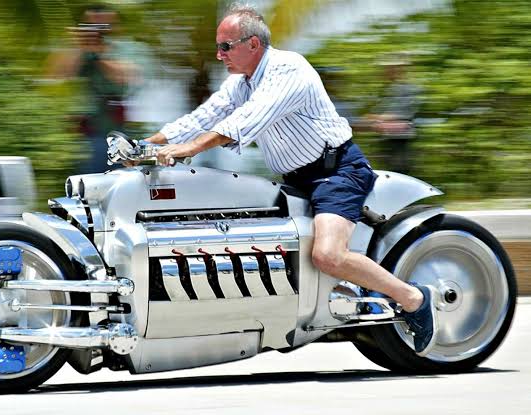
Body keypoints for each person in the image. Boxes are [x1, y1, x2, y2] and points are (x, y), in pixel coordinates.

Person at [138, 4, 439, 356]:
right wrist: (145, 145)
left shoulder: (288, 69)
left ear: (253, 44)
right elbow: (203, 116)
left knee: (328, 255)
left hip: (336, 174)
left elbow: (245, 121)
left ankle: (414, 299)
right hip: (293, 179)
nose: (219, 55)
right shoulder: (241, 83)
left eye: (225, 47)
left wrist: (189, 148)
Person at [48, 4, 140, 174]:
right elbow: (57, 74)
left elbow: (124, 77)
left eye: (103, 24)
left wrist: (98, 53)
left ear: (115, 25)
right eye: (91, 24)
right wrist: (78, 47)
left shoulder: (128, 48)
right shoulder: (78, 48)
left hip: (116, 129)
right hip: (84, 132)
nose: (97, 29)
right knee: (83, 183)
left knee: (117, 180)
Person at [367, 56, 421, 174]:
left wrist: (380, 117)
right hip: (388, 137)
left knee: (399, 169)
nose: (387, 71)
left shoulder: (407, 89)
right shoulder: (390, 88)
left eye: (391, 68)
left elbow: (404, 112)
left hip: (401, 137)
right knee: (389, 170)